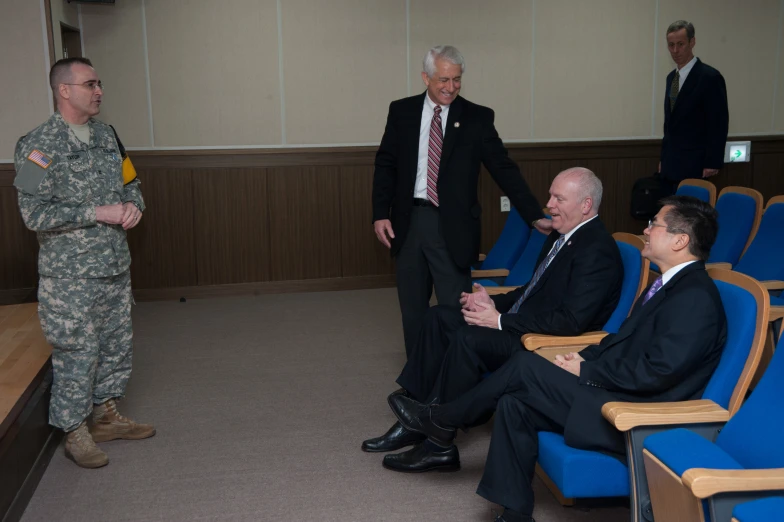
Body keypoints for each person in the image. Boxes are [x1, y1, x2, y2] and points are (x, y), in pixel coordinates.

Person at [387, 196, 727, 522]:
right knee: (514, 402)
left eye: (655, 224)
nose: (647, 229)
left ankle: (442, 419)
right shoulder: (669, 287)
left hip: (634, 415)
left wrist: (589, 369)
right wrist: (581, 356)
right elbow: (622, 343)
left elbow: (658, 372)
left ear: (680, 240)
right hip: (615, 392)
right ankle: (515, 512)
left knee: (523, 366)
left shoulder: (694, 298)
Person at [363, 168, 624, 472]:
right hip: (524, 323)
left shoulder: (597, 250)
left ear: (585, 205)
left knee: (468, 338)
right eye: (550, 195)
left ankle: (438, 444)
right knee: (439, 317)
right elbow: (532, 289)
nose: (549, 204)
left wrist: (500, 321)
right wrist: (492, 302)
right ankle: (416, 420)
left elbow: (571, 321)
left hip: (544, 342)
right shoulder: (562, 233)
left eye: (558, 198)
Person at [13, 57, 154, 469]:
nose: (99, 91)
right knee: (77, 353)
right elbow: (33, 214)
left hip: (113, 266)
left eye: (99, 83)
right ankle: (74, 432)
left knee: (115, 346)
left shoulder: (108, 137)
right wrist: (99, 211)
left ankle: (105, 415)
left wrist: (132, 206)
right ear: (64, 90)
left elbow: (132, 181)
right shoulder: (38, 146)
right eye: (90, 84)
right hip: (70, 277)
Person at [372, 45, 550, 360]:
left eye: (457, 79)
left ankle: (457, 373)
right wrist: (379, 214)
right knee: (412, 308)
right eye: (443, 79)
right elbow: (386, 164)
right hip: (408, 221)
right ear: (425, 77)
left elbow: (503, 168)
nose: (450, 87)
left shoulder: (477, 118)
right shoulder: (401, 111)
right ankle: (419, 374)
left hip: (451, 227)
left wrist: (534, 214)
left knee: (457, 307)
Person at [659, 20, 729, 193]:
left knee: (691, 217)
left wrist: (712, 161)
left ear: (692, 42)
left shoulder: (709, 77)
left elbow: (718, 122)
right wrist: (664, 158)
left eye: (681, 44)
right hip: (671, 163)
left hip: (696, 163)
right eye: (671, 45)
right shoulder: (671, 78)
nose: (675, 51)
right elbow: (670, 123)